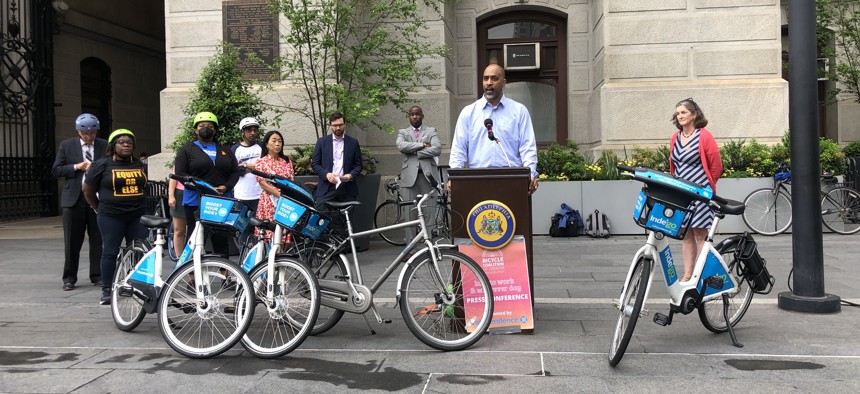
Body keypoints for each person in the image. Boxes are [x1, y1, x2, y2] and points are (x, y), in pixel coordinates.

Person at [449, 64, 539, 195]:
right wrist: (454, 176)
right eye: (485, 79)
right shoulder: (468, 112)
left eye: (494, 78)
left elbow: (527, 146)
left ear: (503, 82)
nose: (489, 83)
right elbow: (459, 148)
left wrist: (531, 173)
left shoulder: (519, 111)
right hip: (477, 181)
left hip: (512, 180)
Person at [82, 129, 148, 305]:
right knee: (110, 252)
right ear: (113, 146)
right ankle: (107, 289)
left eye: (129, 142)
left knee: (140, 252)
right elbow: (88, 190)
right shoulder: (101, 165)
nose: (126, 144)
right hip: (111, 216)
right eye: (121, 142)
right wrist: (97, 208)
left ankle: (137, 285)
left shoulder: (140, 165)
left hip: (137, 216)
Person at [668, 98, 722, 282]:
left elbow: (716, 166)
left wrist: (706, 186)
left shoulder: (704, 136)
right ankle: (688, 275)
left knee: (701, 234)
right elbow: (673, 165)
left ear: (694, 114)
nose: (680, 115)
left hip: (700, 193)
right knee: (685, 233)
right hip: (681, 193)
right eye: (678, 113)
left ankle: (704, 275)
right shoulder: (675, 137)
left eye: (684, 112)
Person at [51, 113, 107, 291]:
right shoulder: (67, 146)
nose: (89, 137)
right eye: (85, 133)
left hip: (96, 197)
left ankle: (97, 275)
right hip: (74, 199)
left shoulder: (104, 145)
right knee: (72, 240)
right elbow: (56, 170)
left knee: (97, 238)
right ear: (78, 132)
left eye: (92, 133)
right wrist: (77, 166)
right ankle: (69, 277)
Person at [174, 111, 240, 257]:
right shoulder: (186, 150)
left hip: (221, 200)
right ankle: (191, 276)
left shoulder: (225, 150)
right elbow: (180, 174)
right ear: (195, 130)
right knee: (195, 238)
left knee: (221, 239)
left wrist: (226, 186)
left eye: (210, 126)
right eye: (202, 126)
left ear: (215, 130)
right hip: (195, 201)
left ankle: (225, 275)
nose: (206, 128)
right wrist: (200, 186)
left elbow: (235, 172)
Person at [396, 105, 442, 243]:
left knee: (429, 213)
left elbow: (437, 149)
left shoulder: (431, 131)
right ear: (408, 116)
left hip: (428, 177)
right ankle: (410, 247)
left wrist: (415, 152)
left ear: (422, 116)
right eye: (412, 114)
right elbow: (401, 146)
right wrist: (422, 145)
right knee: (410, 214)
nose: (415, 116)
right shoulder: (403, 132)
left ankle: (429, 246)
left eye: (417, 114)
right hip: (409, 179)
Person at [311, 112, 363, 211]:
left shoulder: (353, 142)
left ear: (345, 124)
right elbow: (315, 163)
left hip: (347, 188)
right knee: (320, 215)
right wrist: (326, 174)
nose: (338, 128)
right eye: (335, 125)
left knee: (346, 222)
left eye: (340, 125)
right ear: (330, 126)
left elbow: (358, 165)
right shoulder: (322, 142)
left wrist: (350, 175)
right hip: (327, 187)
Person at [254, 130, 295, 241]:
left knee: (285, 234)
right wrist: (279, 195)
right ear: (266, 144)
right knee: (270, 234)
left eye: (280, 141)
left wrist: (286, 197)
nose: (277, 144)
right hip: (269, 201)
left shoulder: (286, 161)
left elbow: (291, 180)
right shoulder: (261, 162)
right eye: (274, 141)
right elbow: (263, 183)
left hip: (285, 202)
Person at [232, 117, 264, 246]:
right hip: (242, 194)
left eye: (255, 130)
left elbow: (264, 166)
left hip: (260, 193)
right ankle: (244, 258)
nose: (252, 133)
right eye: (249, 130)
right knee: (243, 227)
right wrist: (252, 166)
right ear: (242, 132)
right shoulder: (235, 149)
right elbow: (233, 169)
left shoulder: (262, 147)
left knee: (261, 227)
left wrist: (245, 165)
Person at [167, 168, 187, 258]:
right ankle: (180, 259)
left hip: (196, 192)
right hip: (180, 193)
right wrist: (171, 196)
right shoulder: (183, 156)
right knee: (179, 230)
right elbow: (173, 178)